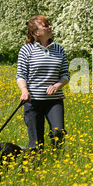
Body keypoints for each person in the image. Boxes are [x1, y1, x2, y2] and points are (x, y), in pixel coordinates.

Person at [16, 15, 70, 152]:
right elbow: (21, 75)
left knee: (58, 133)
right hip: (32, 101)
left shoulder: (59, 49)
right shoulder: (26, 50)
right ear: (36, 33)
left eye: (49, 24)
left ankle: (57, 159)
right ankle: (36, 166)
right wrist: (24, 91)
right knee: (35, 145)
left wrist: (58, 85)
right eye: (45, 25)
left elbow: (65, 74)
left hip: (54, 101)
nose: (50, 27)